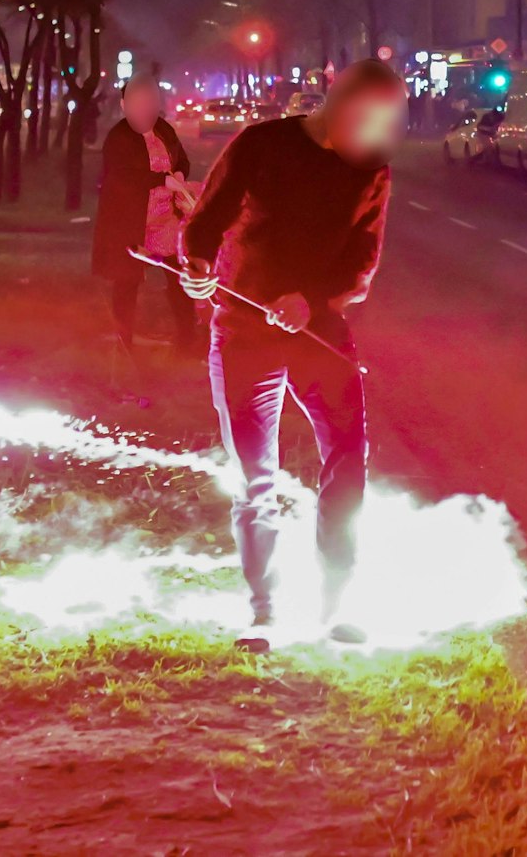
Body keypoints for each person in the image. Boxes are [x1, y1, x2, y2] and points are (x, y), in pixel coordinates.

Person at [179, 58, 407, 649]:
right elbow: (206, 221)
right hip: (244, 332)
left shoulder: (371, 170)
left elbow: (362, 262)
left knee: (347, 456)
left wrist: (311, 299)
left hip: (319, 333)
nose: (377, 135)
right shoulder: (261, 145)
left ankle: (336, 602)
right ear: (338, 103)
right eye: (369, 120)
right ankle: (265, 610)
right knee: (255, 475)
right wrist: (196, 264)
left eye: (386, 123)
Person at [92, 77, 197, 354]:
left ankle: (187, 339)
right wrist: (162, 180)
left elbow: (182, 159)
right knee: (127, 283)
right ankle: (124, 341)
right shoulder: (119, 137)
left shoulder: (163, 129)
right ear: (125, 105)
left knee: (180, 278)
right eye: (138, 103)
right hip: (134, 222)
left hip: (167, 221)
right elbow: (123, 177)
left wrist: (179, 174)